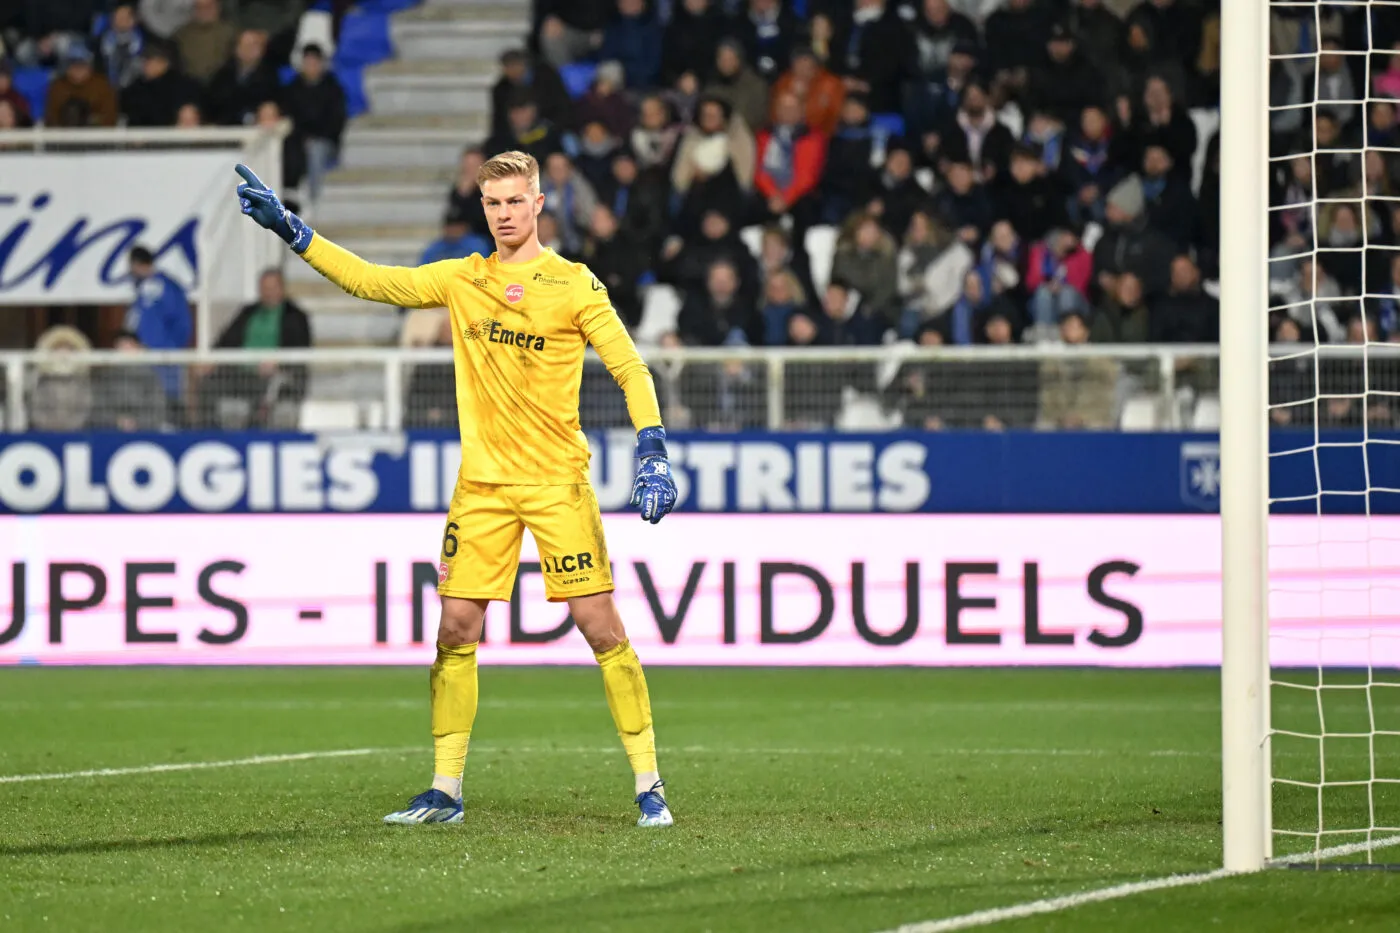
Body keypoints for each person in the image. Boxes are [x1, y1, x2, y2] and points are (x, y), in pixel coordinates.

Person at [233, 151, 678, 829]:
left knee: (600, 627)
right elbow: (371, 282)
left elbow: (630, 368)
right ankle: (445, 790)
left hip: (558, 482)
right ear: (484, 210)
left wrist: (652, 448)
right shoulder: (463, 279)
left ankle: (650, 785)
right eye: (492, 204)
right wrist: (295, 232)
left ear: (539, 203)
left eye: (515, 201)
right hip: (482, 488)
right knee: (455, 628)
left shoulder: (574, 284)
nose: (504, 214)